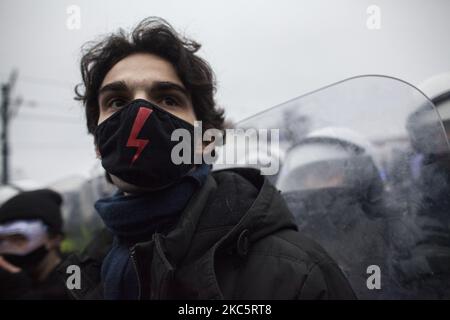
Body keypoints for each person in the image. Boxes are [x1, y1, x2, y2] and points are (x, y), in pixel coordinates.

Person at [59, 17, 355, 300]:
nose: (140, 114)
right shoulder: (82, 273)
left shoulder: (295, 274)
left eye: (167, 99)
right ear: (98, 143)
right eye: (117, 102)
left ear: (204, 140)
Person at [0, 189, 68, 299]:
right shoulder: (5, 279)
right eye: (1, 240)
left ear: (54, 239)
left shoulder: (75, 272)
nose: (8, 248)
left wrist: (22, 293)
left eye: (18, 238)